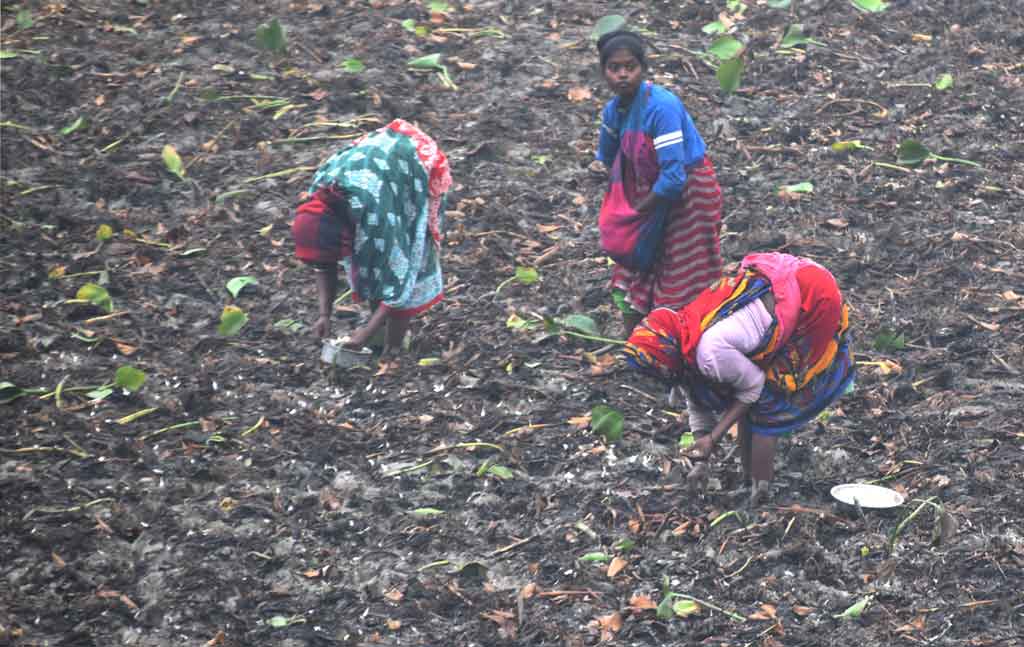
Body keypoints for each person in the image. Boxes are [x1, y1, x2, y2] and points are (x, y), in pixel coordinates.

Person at [623, 252, 855, 501]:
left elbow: (753, 388)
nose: (660, 376)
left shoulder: (708, 352)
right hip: (781, 291)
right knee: (746, 401)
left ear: (667, 355)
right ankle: (748, 482)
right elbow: (697, 404)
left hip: (811, 296)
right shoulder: (684, 344)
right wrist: (701, 460)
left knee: (769, 404)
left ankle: (761, 493)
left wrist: (714, 438)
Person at [594, 30, 723, 336]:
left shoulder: (661, 107)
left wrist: (638, 212)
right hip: (648, 193)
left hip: (689, 196)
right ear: (604, 72)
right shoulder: (614, 112)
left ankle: (680, 343)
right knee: (633, 266)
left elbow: (674, 177)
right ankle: (634, 342)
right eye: (615, 68)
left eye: (630, 67)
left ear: (643, 68)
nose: (623, 74)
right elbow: (609, 161)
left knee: (681, 273)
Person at [291, 119, 452, 350]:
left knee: (403, 259)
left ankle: (393, 350)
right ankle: (378, 337)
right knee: (372, 264)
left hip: (415, 164)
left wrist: (363, 333)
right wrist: (324, 314)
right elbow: (323, 264)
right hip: (377, 173)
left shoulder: (376, 217)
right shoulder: (317, 201)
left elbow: (399, 277)